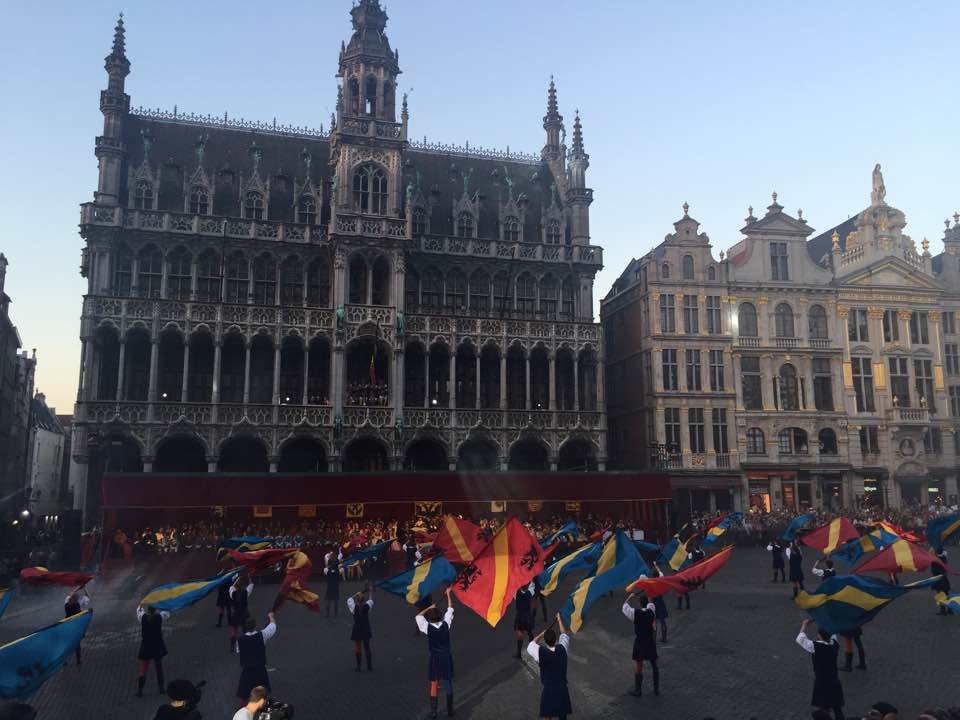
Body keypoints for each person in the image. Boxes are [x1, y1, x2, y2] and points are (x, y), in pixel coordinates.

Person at [416, 587, 455, 718]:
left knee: (434, 683)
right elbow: (450, 609)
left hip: (435, 658)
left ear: (430, 618)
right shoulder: (446, 625)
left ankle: (434, 712)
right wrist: (449, 595)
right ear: (440, 616)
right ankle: (450, 710)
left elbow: (418, 616)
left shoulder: (427, 628)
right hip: (446, 657)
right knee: (448, 682)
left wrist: (428, 607)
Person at [795, 619, 845, 720]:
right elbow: (833, 633)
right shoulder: (835, 644)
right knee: (837, 709)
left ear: (820, 635)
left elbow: (800, 639)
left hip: (822, 682)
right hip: (834, 680)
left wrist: (804, 624)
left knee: (824, 710)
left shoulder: (816, 647)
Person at [527, 613, 572, 720]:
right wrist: (560, 620)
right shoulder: (562, 649)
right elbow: (564, 634)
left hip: (549, 690)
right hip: (562, 689)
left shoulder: (540, 652)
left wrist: (541, 634)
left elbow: (531, 645)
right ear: (555, 639)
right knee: (562, 715)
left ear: (545, 641)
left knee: (547, 715)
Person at [623, 591, 659, 697]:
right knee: (654, 665)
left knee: (639, 665)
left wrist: (629, 597)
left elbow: (624, 607)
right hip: (649, 641)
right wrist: (649, 590)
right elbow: (651, 602)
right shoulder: (651, 611)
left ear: (639, 603)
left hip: (640, 642)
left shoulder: (635, 613)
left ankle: (638, 690)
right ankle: (656, 689)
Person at [236, 612, 277, 702]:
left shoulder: (240, 640)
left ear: (245, 627)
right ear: (255, 626)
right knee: (263, 692)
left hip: (247, 670)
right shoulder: (262, 635)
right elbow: (273, 627)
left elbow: (239, 651)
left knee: (245, 695)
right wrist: (271, 617)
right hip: (260, 669)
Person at [136, 606, 169, 698]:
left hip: (146, 645)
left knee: (143, 668)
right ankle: (161, 688)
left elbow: (139, 611)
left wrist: (141, 605)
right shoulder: (159, 617)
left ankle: (140, 691)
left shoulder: (143, 617)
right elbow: (166, 613)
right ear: (155, 610)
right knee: (159, 667)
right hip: (157, 645)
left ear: (148, 610)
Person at [348, 586, 374, 672]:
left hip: (357, 628)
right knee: (367, 647)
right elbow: (371, 600)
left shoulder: (354, 608)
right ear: (363, 600)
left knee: (358, 647)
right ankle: (369, 666)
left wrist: (356, 594)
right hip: (365, 628)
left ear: (357, 600)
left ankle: (359, 667)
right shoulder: (367, 606)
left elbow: (349, 600)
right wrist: (370, 592)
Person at [64, 585, 90, 665]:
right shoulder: (78, 605)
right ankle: (78, 660)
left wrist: (77, 589)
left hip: (67, 626)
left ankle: (64, 661)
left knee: (67, 644)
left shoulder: (66, 604)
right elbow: (87, 597)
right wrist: (84, 588)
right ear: (77, 599)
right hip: (76, 627)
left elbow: (70, 595)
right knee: (77, 644)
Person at [228, 575, 254, 653]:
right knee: (245, 631)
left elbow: (232, 586)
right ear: (243, 586)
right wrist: (249, 578)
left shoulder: (233, 593)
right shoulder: (246, 593)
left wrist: (237, 579)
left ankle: (232, 647)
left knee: (234, 631)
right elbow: (251, 584)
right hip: (244, 614)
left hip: (235, 614)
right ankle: (246, 646)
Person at [513, 581, 535, 658]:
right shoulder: (530, 593)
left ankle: (519, 653)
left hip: (519, 615)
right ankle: (533, 648)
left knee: (520, 633)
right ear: (528, 585)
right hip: (527, 615)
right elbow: (532, 586)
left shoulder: (516, 593)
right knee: (529, 631)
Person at [323, 550, 342, 618]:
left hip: (329, 587)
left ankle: (327, 614)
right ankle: (336, 614)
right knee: (335, 601)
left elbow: (326, 565)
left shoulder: (326, 570)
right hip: (336, 587)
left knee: (329, 601)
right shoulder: (339, 571)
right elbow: (340, 565)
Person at [932, 549, 951, 615]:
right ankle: (949, 609)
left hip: (939, 578)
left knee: (940, 594)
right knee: (945, 593)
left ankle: (943, 610)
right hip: (942, 578)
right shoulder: (942, 558)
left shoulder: (938, 559)